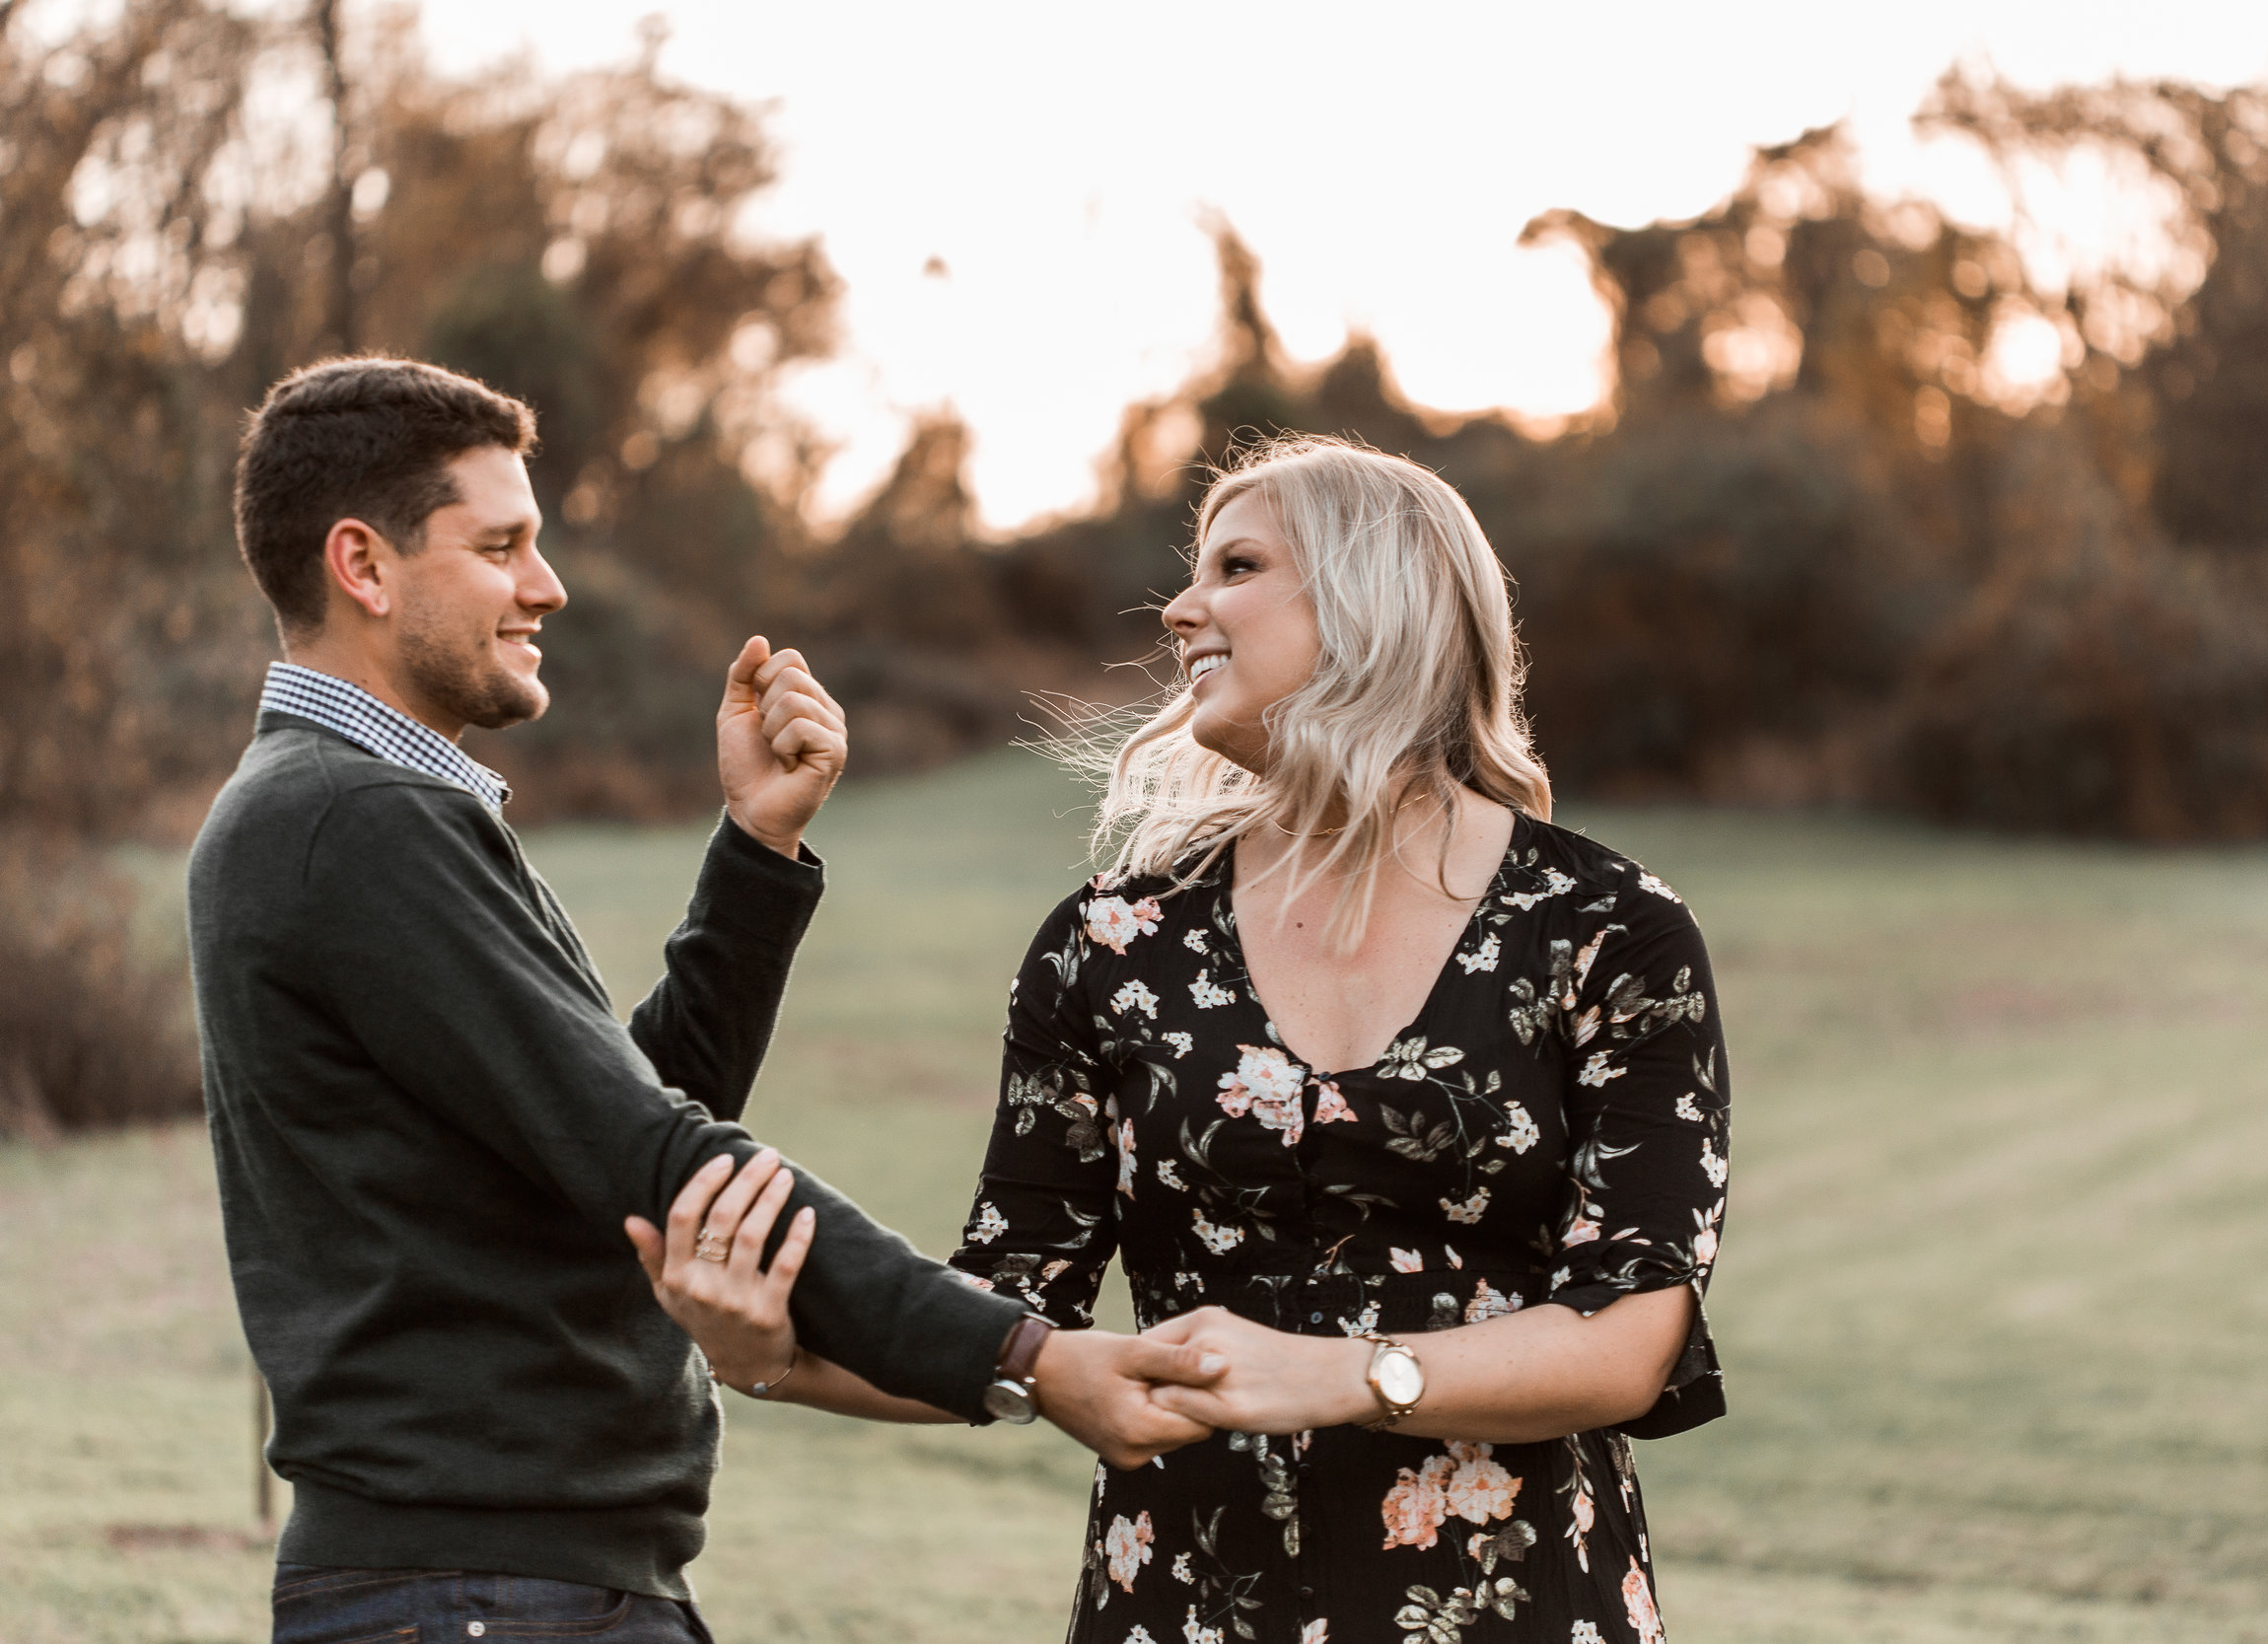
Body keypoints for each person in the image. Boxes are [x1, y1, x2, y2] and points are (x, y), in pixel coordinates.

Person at [189, 356, 1221, 1644]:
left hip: (501, 1585)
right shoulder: (351, 818)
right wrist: (1029, 1353)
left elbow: (610, 1132)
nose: (546, 585)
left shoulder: (346, 809)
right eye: (501, 543)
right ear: (364, 563)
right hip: (482, 1592)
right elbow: (657, 1153)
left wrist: (757, 849)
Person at [641, 434, 1731, 1643]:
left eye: (1237, 565)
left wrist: (1344, 1372)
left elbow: (1631, 1334)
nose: (1179, 607)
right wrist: (771, 1356)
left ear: (1376, 602)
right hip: (1181, 1606)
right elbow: (1008, 1309)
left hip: (1520, 1607)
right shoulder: (1109, 947)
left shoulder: (1608, 932)